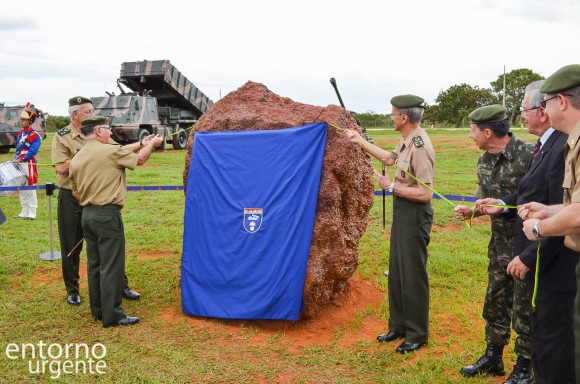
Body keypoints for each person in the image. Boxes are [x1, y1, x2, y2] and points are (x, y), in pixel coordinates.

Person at [479, 81, 578, 384]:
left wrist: (530, 251)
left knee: (551, 339)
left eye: (527, 109)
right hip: (537, 249)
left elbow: (570, 212)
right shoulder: (548, 145)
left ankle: (525, 369)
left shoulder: (563, 145)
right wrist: (504, 204)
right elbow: (543, 200)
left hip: (551, 258)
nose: (522, 116)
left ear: (553, 105)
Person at [346, 94, 434, 354]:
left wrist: (391, 186)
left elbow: (426, 193)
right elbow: (388, 158)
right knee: (397, 271)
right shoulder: (407, 139)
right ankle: (399, 326)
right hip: (403, 211)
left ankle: (417, 333)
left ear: (404, 117)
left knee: (413, 274)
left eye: (393, 114)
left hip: (415, 214)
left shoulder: (420, 145)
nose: (391, 117)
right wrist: (358, 140)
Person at [454, 105, 533, 383]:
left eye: (472, 131)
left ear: (488, 132)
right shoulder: (484, 160)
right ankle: (493, 356)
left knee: (524, 309)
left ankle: (525, 367)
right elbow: (484, 195)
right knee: (496, 301)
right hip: (499, 244)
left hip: (527, 244)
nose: (469, 136)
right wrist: (471, 210)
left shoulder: (529, 155)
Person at [518, 64, 580, 384]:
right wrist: (548, 209)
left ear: (561, 101)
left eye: (546, 103)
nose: (543, 110)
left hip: (565, 261)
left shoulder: (574, 143)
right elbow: (573, 205)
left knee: (563, 348)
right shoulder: (571, 142)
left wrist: (540, 228)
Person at [69, 116, 162, 327]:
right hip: (107, 215)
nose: (110, 134)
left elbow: (75, 192)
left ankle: (99, 311)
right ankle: (113, 315)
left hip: (87, 214)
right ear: (100, 131)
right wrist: (152, 145)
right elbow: (140, 160)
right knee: (111, 266)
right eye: (108, 130)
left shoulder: (77, 157)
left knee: (95, 265)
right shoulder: (109, 150)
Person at [52, 96, 142, 306]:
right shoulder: (62, 136)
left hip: (97, 195)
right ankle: (72, 289)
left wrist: (141, 144)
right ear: (75, 114)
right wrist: (90, 157)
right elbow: (61, 168)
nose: (93, 114)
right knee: (72, 244)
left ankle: (120, 285)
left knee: (109, 244)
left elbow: (116, 151)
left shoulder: (98, 131)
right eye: (88, 112)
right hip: (72, 195)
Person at [14, 104, 41, 220]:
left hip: (28, 163)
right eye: (21, 120)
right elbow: (17, 148)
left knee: (30, 187)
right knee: (21, 187)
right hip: (19, 163)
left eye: (24, 120)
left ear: (30, 122)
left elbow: (33, 151)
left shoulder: (35, 135)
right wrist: (16, 158)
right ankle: (24, 211)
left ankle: (32, 212)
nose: (21, 122)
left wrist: (22, 158)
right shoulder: (20, 134)